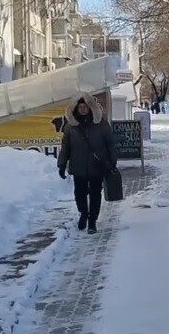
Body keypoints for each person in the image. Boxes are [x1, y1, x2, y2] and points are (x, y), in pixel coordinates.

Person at [57, 93, 117, 234]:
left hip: (97, 166)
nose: (83, 109)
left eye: (86, 106)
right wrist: (61, 164)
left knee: (96, 194)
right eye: (80, 107)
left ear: (91, 107)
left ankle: (92, 221)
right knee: (79, 194)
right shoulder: (71, 126)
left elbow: (110, 144)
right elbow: (66, 147)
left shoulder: (101, 124)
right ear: (76, 109)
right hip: (78, 167)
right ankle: (83, 213)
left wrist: (112, 163)